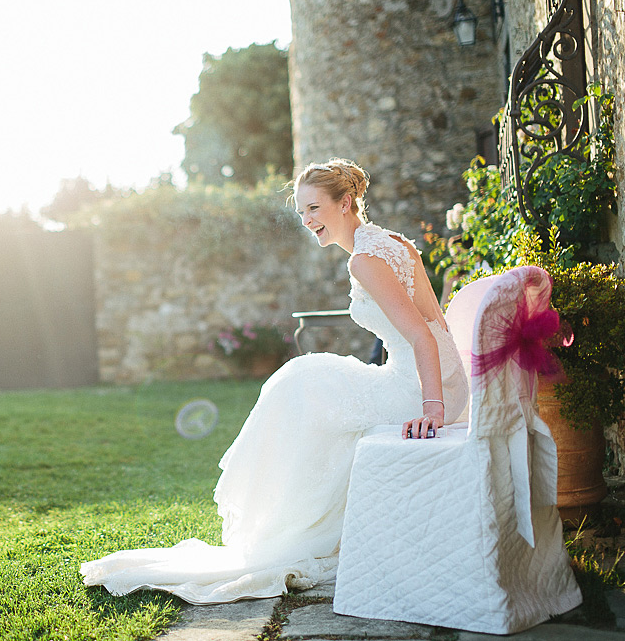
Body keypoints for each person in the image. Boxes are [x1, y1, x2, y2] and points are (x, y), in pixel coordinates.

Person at [80, 157, 470, 605]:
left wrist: (433, 408)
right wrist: (450, 386)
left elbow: (421, 332)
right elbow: (435, 321)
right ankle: (287, 518)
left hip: (422, 390)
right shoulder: (395, 242)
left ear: (346, 204)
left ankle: (282, 526)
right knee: (304, 382)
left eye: (314, 209)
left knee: (300, 386)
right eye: (301, 212)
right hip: (436, 376)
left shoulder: (365, 260)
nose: (307, 221)